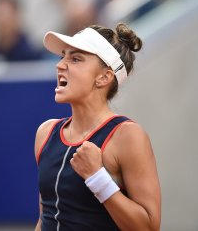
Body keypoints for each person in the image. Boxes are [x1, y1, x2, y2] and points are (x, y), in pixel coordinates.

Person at [35, 23, 161, 230]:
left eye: (75, 59)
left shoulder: (127, 136)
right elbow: (46, 218)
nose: (60, 65)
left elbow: (149, 227)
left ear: (104, 77)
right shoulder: (45, 133)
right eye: (62, 57)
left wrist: (97, 178)